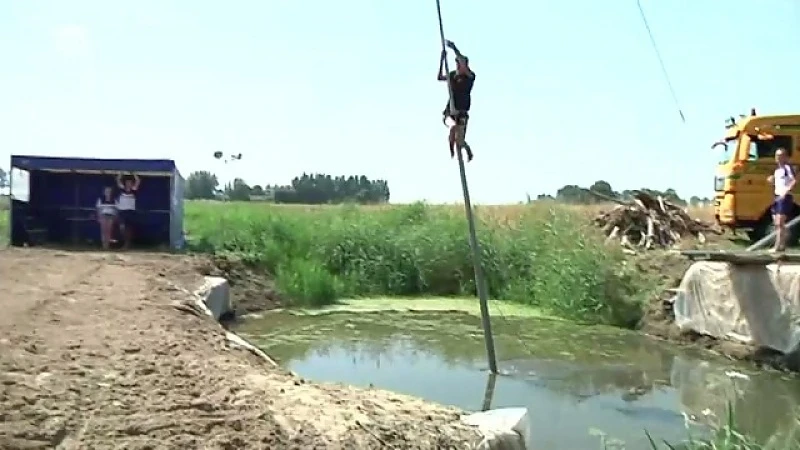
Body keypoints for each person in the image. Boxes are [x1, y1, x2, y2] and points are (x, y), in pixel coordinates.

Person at [438, 40, 476, 162]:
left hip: (462, 111)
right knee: (452, 128)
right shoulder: (453, 74)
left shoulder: (470, 76)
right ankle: (452, 150)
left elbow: (463, 62)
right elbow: (440, 77)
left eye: (460, 64)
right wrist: (442, 59)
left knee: (459, 140)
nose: (458, 66)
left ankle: (466, 148)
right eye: (457, 64)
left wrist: (454, 48)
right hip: (451, 110)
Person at [767, 148, 796, 252]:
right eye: (776, 155)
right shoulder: (776, 170)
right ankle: (783, 243)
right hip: (777, 197)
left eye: (780, 155)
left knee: (779, 223)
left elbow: (794, 180)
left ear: (785, 157)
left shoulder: (787, 168)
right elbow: (778, 183)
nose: (778, 158)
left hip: (785, 197)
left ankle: (777, 247)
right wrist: (772, 181)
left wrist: (786, 191)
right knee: (776, 223)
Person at [115, 172, 141, 249]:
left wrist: (134, 173)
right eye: (127, 182)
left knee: (129, 229)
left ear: (131, 183)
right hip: (122, 212)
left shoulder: (134, 190)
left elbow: (138, 181)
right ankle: (125, 243)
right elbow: (118, 180)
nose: (128, 184)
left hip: (130, 212)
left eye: (130, 182)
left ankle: (127, 244)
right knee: (122, 227)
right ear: (125, 183)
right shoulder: (122, 189)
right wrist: (121, 172)